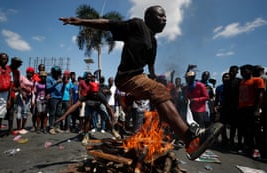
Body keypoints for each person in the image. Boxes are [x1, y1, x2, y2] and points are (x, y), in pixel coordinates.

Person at [59, 5, 223, 160]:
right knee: (158, 91)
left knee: (160, 91)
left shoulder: (154, 41)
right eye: (161, 15)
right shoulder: (137, 25)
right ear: (149, 17)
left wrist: (157, 82)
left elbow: (150, 67)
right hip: (126, 77)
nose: (165, 19)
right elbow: (108, 24)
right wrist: (80, 21)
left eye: (165, 16)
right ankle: (191, 140)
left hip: (140, 76)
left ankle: (130, 102)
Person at [56, 81, 121, 145]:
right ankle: (86, 135)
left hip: (99, 105)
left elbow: (108, 108)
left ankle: (113, 131)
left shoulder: (100, 95)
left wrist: (113, 117)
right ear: (90, 91)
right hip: (89, 106)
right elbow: (75, 105)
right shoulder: (86, 94)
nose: (95, 94)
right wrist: (64, 115)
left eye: (96, 92)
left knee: (106, 119)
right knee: (87, 119)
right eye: (93, 93)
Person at [238, 64, 265, 159]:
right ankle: (248, 149)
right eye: (242, 71)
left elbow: (260, 96)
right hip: (243, 108)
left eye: (245, 70)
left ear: (251, 71)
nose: (243, 73)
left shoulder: (258, 80)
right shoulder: (242, 82)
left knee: (255, 131)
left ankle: (258, 150)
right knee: (246, 131)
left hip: (252, 108)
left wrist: (257, 110)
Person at [5, 57, 23, 136]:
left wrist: (19, 90)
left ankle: (10, 129)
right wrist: (15, 88)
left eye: (19, 64)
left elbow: (17, 83)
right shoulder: (6, 69)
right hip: (4, 93)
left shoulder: (17, 72)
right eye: (17, 64)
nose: (18, 65)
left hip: (12, 94)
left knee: (11, 112)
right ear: (12, 62)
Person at [16, 67, 35, 133]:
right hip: (21, 96)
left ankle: (22, 127)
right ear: (27, 72)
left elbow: (32, 89)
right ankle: (18, 128)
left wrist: (32, 100)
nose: (31, 74)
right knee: (19, 111)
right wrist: (22, 92)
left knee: (25, 112)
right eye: (30, 72)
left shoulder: (32, 80)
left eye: (32, 73)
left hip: (28, 97)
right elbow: (18, 86)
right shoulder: (22, 77)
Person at [46, 66, 64, 134]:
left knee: (58, 113)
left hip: (59, 97)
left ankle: (57, 127)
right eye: (56, 73)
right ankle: (51, 127)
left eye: (59, 72)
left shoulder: (60, 78)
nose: (58, 74)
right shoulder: (49, 78)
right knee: (52, 113)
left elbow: (62, 88)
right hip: (53, 97)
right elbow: (48, 88)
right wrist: (56, 82)